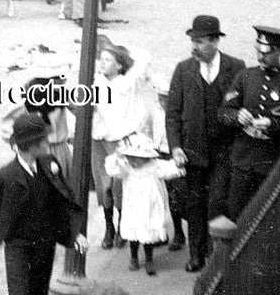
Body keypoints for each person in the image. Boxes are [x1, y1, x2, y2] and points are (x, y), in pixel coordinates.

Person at [166, 15, 246, 273]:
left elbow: (241, 107)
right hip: (192, 152)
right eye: (193, 41)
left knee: (217, 203)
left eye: (200, 42)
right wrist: (175, 147)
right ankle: (196, 255)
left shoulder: (236, 67)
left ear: (214, 41)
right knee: (194, 205)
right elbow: (172, 114)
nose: (194, 46)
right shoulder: (183, 69)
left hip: (223, 152)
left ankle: (214, 256)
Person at [0, 112, 87, 295]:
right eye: (43, 139)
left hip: (45, 246)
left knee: (39, 291)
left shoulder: (50, 165)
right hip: (18, 247)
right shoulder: (5, 176)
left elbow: (61, 202)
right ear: (32, 145)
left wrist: (74, 234)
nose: (48, 141)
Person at [220, 26, 280, 221]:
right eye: (258, 51)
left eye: (267, 53)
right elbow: (223, 112)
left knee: (266, 220)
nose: (261, 57)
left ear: (279, 51)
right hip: (242, 162)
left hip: (271, 165)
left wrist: (273, 124)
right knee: (236, 217)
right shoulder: (245, 77)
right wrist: (237, 116)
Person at [91, 42, 153, 250]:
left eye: (108, 60)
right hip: (100, 141)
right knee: (104, 186)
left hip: (119, 141)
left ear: (119, 65)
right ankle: (108, 227)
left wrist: (123, 52)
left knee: (119, 186)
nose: (102, 63)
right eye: (101, 59)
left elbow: (143, 58)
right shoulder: (97, 83)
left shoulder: (128, 83)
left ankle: (121, 227)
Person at [104, 133, 185, 276]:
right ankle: (134, 257)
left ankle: (149, 259)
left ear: (144, 157)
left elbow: (169, 169)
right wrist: (117, 157)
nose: (131, 160)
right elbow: (113, 169)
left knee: (149, 235)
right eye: (129, 157)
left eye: (134, 157)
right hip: (133, 207)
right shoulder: (126, 168)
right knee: (134, 235)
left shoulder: (155, 166)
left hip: (150, 208)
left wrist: (177, 165)